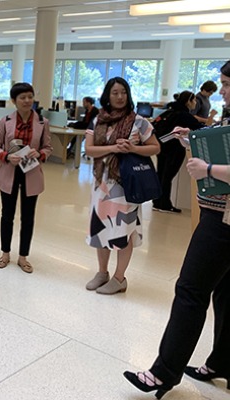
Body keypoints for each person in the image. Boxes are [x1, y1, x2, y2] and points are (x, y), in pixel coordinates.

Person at [123, 61, 230, 399]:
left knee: (190, 291)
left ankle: (163, 372)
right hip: (220, 213)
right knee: (225, 293)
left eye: (226, 84)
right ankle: (222, 363)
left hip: (223, 220)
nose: (222, 90)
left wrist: (208, 167)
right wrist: (194, 143)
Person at [84, 77, 160, 295]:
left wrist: (133, 149)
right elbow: (89, 149)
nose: (119, 97)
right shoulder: (98, 120)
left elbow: (155, 148)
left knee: (123, 230)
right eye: (115, 92)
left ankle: (119, 278)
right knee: (100, 229)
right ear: (107, 95)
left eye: (123, 92)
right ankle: (102, 272)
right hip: (102, 184)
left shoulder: (139, 122)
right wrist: (113, 149)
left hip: (126, 186)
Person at [0, 82, 52, 274]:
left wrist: (40, 154)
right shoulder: (6, 120)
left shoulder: (42, 122)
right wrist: (7, 156)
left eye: (30, 97)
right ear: (14, 101)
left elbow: (48, 148)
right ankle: (5, 253)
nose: (27, 101)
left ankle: (23, 256)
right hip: (10, 171)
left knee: (28, 217)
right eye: (22, 97)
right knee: (7, 215)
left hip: (31, 173)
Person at [152, 91, 203, 213]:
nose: (195, 103)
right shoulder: (185, 115)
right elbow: (200, 129)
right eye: (194, 100)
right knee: (168, 176)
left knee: (161, 174)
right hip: (175, 148)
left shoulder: (169, 111)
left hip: (162, 146)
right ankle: (164, 204)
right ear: (188, 101)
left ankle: (157, 202)